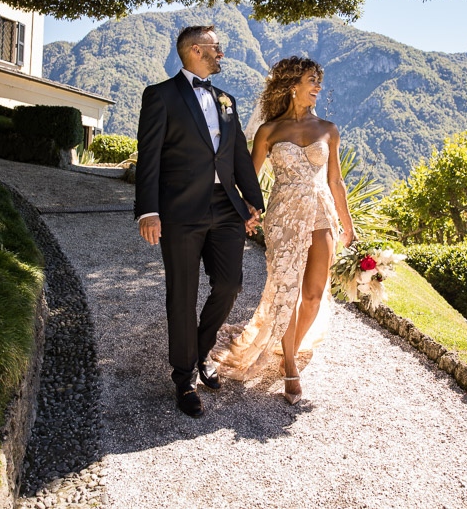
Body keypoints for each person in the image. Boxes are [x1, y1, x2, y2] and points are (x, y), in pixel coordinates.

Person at [134, 25, 264, 418]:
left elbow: (238, 153)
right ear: (194, 51)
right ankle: (183, 377)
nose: (221, 54)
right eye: (216, 48)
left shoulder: (226, 99)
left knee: (230, 285)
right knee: (182, 294)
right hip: (179, 210)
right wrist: (148, 210)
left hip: (225, 206)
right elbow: (149, 154)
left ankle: (199, 352)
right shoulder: (161, 95)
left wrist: (253, 203)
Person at [211, 56, 356, 404]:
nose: (318, 87)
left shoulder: (328, 129)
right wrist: (247, 209)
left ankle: (285, 345)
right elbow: (251, 175)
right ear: (293, 86)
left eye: (318, 81)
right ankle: (289, 364)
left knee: (314, 294)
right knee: (285, 291)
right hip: (284, 214)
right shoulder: (269, 131)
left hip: (322, 211)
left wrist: (347, 222)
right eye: (311, 80)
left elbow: (335, 180)